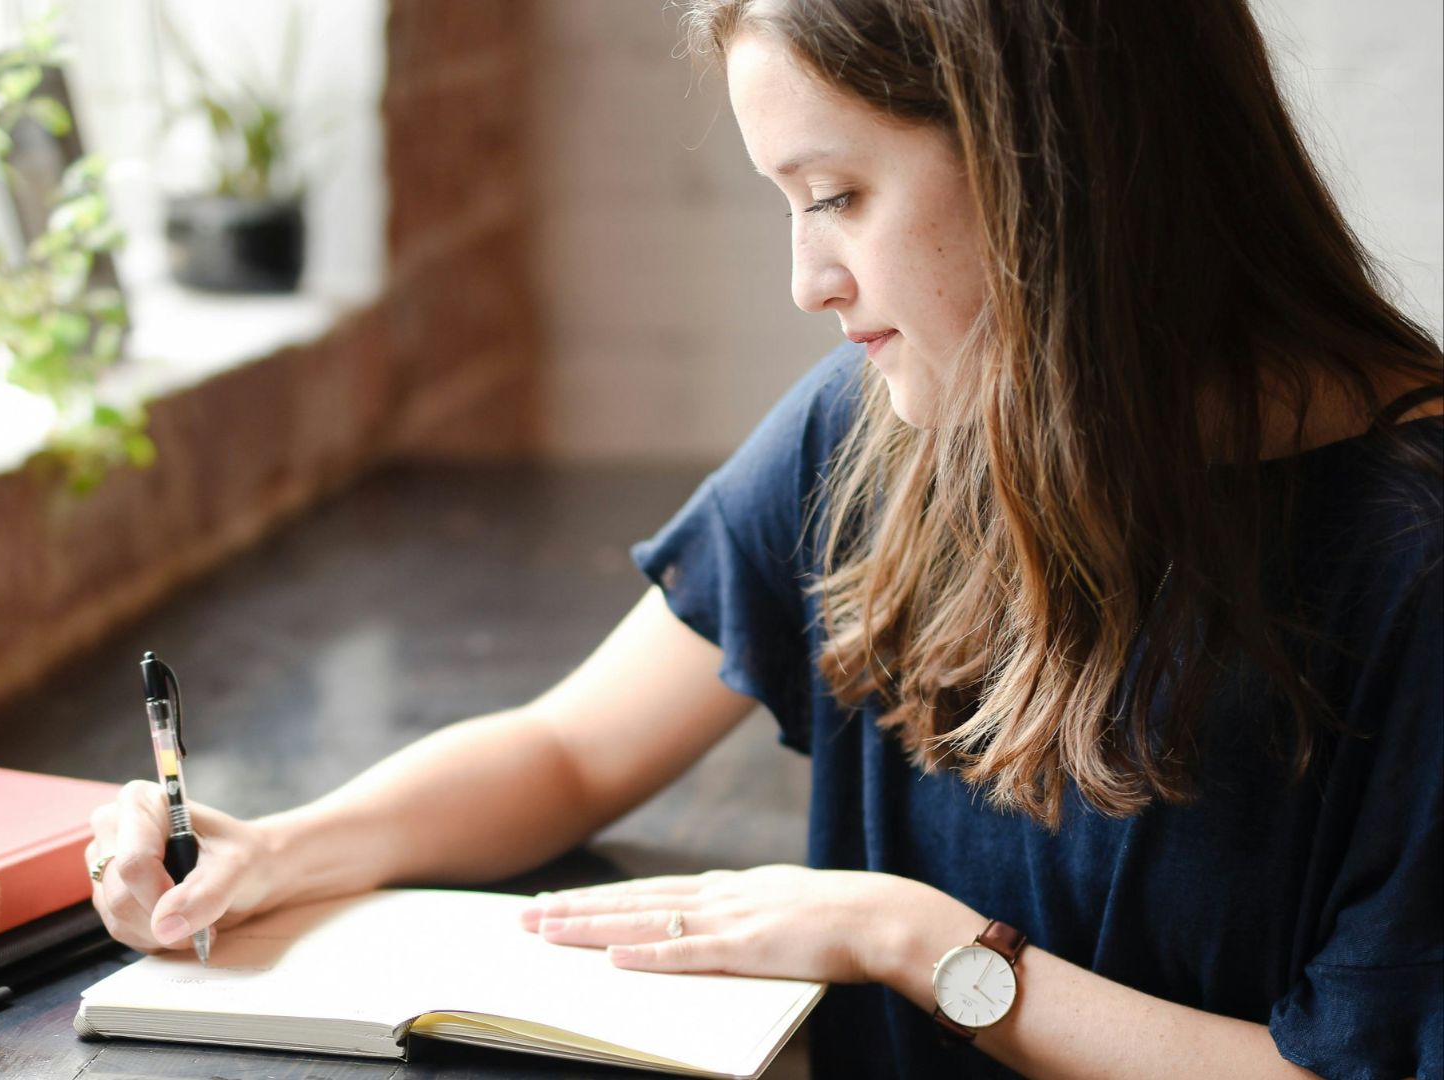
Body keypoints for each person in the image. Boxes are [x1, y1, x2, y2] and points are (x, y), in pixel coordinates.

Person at [87, 1, 1443, 1075]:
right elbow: (570, 749)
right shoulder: (884, 423)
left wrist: (916, 942)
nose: (807, 280)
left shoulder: (1413, 559)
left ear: (1057, 164)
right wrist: (282, 850)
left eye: (838, 194)